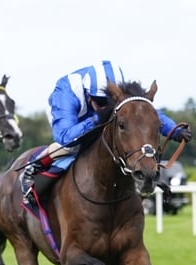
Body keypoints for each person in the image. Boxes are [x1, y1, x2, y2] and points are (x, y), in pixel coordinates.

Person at [19, 60, 193, 203]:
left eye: (107, 101)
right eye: (100, 101)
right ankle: (35, 167)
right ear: (89, 95)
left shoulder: (119, 88)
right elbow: (64, 136)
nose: (105, 105)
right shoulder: (66, 92)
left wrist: (173, 130)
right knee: (73, 147)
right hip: (70, 123)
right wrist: (98, 117)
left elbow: (142, 114)